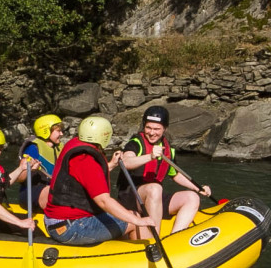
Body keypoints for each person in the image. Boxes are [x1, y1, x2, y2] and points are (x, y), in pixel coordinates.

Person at [42, 115, 157, 245]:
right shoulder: (86, 159)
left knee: (127, 216)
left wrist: (111, 164)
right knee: (133, 219)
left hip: (58, 221)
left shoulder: (74, 144)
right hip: (70, 226)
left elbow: (86, 177)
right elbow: (103, 201)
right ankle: (152, 255)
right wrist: (138, 221)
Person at [118, 105, 212, 236]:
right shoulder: (135, 143)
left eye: (157, 129)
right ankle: (154, 236)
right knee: (155, 188)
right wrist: (150, 156)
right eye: (148, 128)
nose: (151, 132)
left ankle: (174, 237)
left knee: (192, 197)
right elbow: (126, 162)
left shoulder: (168, 149)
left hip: (155, 197)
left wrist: (198, 188)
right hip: (132, 197)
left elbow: (175, 174)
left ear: (165, 129)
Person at [19, 113, 64, 206]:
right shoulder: (33, 148)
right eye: (58, 131)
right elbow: (20, 178)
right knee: (55, 191)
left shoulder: (59, 148)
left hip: (51, 189)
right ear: (45, 131)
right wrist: (30, 169)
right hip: (31, 192)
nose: (62, 134)